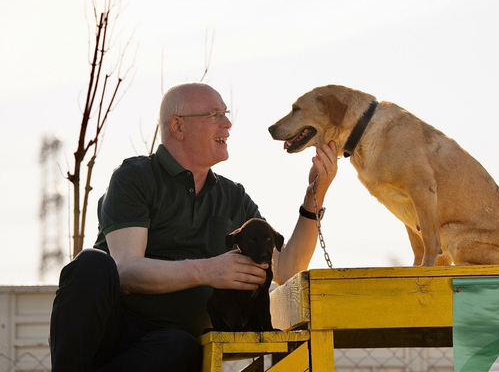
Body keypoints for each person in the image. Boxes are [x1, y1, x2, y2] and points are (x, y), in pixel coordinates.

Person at [49, 82, 338, 372]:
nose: (227, 123)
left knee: (180, 347)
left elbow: (288, 267)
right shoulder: (134, 177)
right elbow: (126, 270)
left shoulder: (234, 197)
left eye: (226, 113)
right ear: (177, 126)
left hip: (170, 349)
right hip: (112, 332)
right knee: (90, 264)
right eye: (214, 114)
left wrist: (315, 195)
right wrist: (210, 270)